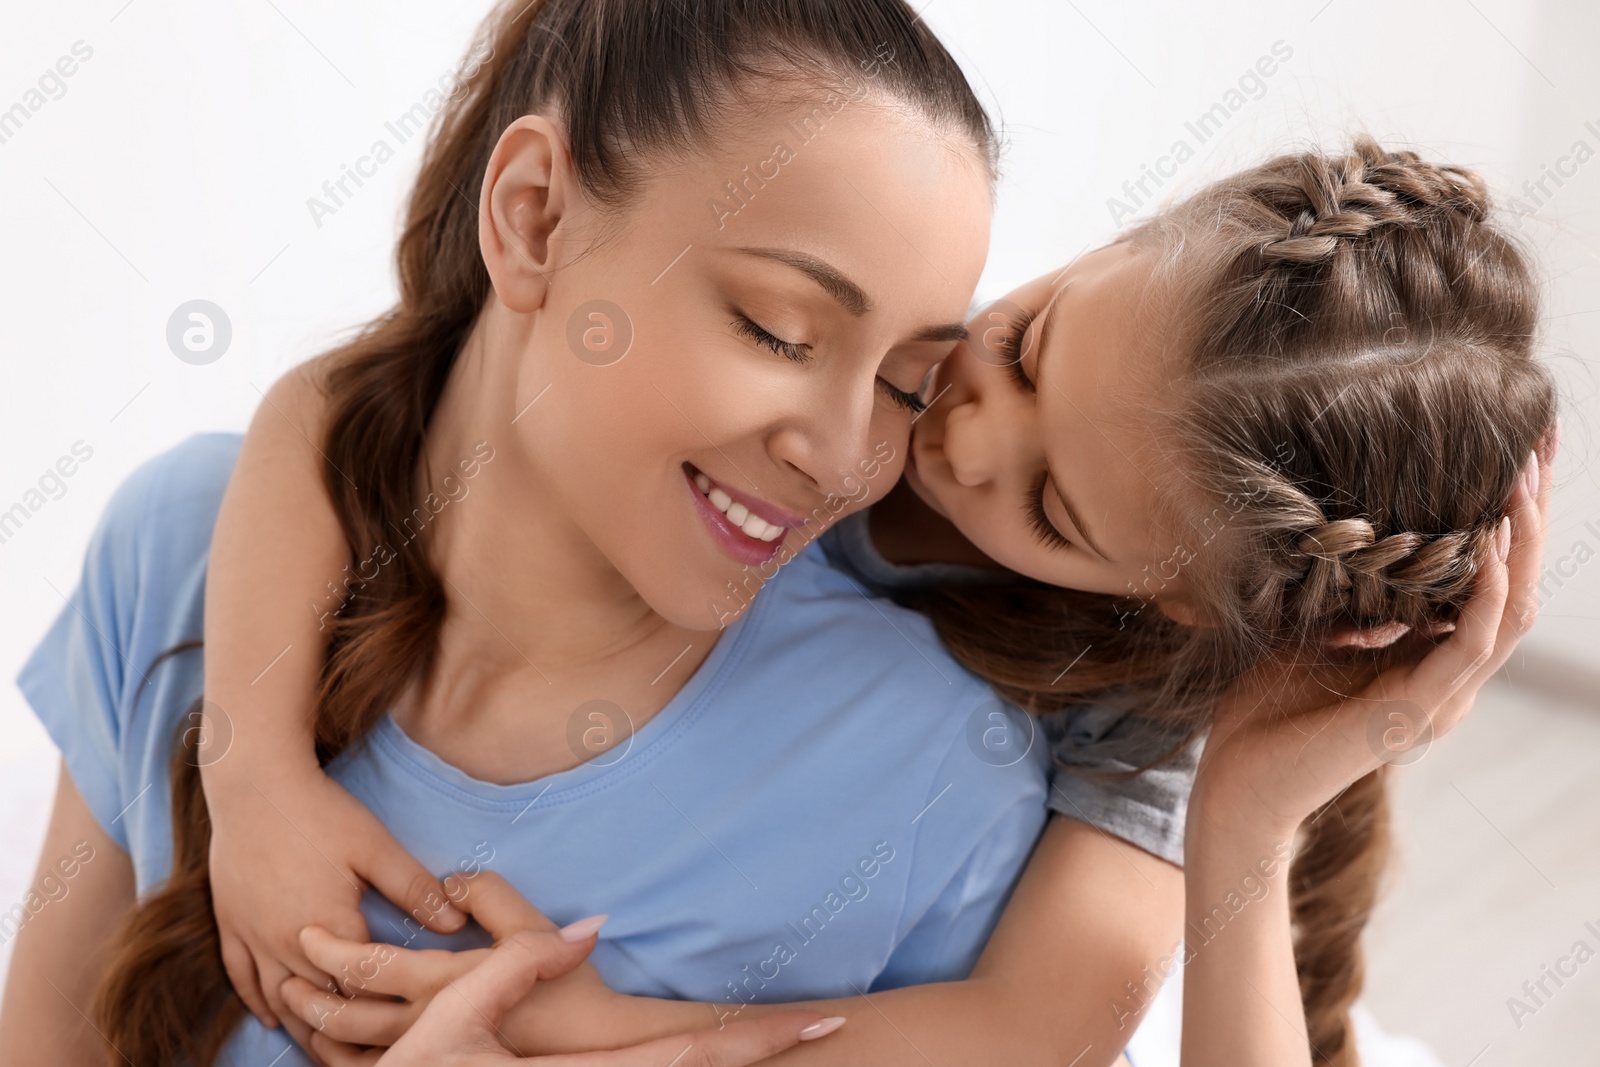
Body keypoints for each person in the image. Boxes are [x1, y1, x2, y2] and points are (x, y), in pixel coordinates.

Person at [248, 137, 1556, 1067]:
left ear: (1178, 606)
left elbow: (1033, 1033)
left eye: (1053, 510)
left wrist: (1253, 816)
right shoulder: (875, 307)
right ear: (1121, 241)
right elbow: (359, 402)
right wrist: (253, 770)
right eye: (1029, 348)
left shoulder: (1151, 703)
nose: (968, 440)